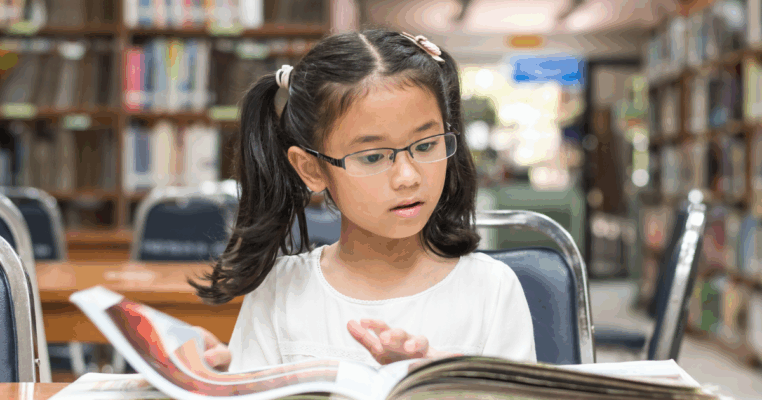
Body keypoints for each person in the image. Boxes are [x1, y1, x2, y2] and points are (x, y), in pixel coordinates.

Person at [189, 28, 537, 372]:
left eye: (427, 145)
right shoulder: (280, 291)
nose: (408, 177)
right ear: (311, 169)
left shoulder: (491, 290)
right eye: (372, 157)